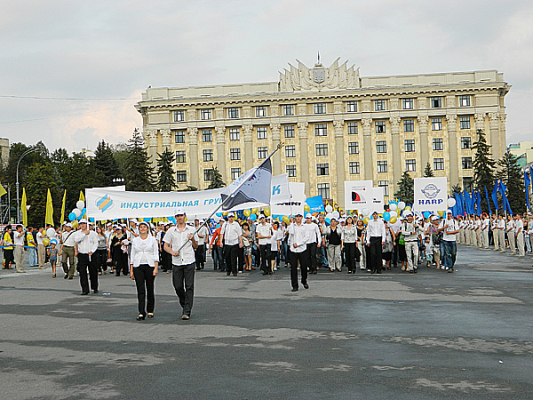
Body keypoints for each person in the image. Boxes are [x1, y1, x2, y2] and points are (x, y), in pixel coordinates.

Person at [163, 208, 198, 320]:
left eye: (181, 215)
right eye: (177, 216)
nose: (179, 217)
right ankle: (184, 303)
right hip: (177, 262)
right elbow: (165, 245)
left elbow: (196, 246)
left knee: (189, 286)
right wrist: (172, 252)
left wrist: (192, 239)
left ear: (185, 216)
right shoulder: (171, 231)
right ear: (175, 218)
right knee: (177, 286)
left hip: (189, 260)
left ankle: (187, 310)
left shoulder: (191, 229)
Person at [130, 221, 159, 321]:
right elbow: (132, 255)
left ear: (147, 229)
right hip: (138, 266)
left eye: (144, 227)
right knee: (140, 289)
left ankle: (150, 309)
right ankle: (141, 311)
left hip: (150, 265)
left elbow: (156, 254)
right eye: (141, 227)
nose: (142, 229)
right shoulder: (135, 240)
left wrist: (155, 267)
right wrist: (131, 270)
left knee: (150, 288)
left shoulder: (152, 240)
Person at [73, 219, 99, 295]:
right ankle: (85, 289)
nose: (83, 225)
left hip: (91, 254)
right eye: (81, 224)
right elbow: (76, 240)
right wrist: (84, 234)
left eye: (84, 224)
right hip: (82, 254)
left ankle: (94, 287)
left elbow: (95, 243)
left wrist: (92, 251)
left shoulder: (93, 233)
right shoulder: (78, 233)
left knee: (93, 271)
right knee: (82, 272)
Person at [287, 212, 310, 292]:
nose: (298, 218)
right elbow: (289, 234)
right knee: (293, 268)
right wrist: (291, 223)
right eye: (297, 216)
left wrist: (299, 244)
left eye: (299, 216)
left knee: (304, 267)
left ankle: (304, 280)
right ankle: (294, 285)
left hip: (302, 249)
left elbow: (307, 237)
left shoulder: (305, 227)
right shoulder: (292, 226)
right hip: (293, 250)